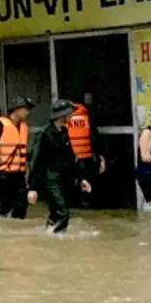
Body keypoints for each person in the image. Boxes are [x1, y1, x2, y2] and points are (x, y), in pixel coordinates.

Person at [28, 99, 93, 234]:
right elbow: (36, 161)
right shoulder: (44, 134)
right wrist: (32, 188)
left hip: (63, 178)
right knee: (63, 212)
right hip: (50, 180)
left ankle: (49, 237)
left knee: (56, 214)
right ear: (61, 116)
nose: (71, 117)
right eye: (69, 114)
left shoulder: (64, 132)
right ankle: (58, 239)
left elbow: (71, 158)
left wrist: (81, 179)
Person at [0, 96, 34, 219]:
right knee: (6, 205)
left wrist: (27, 175)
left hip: (19, 173)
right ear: (16, 109)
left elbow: (23, 153)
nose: (28, 113)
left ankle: (16, 226)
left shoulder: (23, 127)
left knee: (22, 204)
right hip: (3, 172)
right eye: (25, 109)